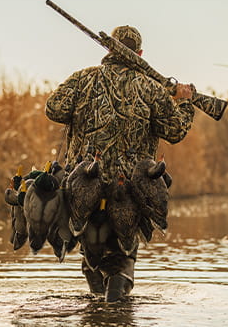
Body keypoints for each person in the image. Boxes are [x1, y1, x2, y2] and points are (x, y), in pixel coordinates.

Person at [42, 25, 197, 301]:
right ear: (139, 54)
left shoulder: (83, 79)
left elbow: (54, 109)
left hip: (84, 189)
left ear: (109, 48)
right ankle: (115, 308)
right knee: (122, 262)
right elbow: (175, 132)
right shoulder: (151, 88)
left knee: (92, 261)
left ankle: (100, 310)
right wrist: (184, 101)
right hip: (130, 191)